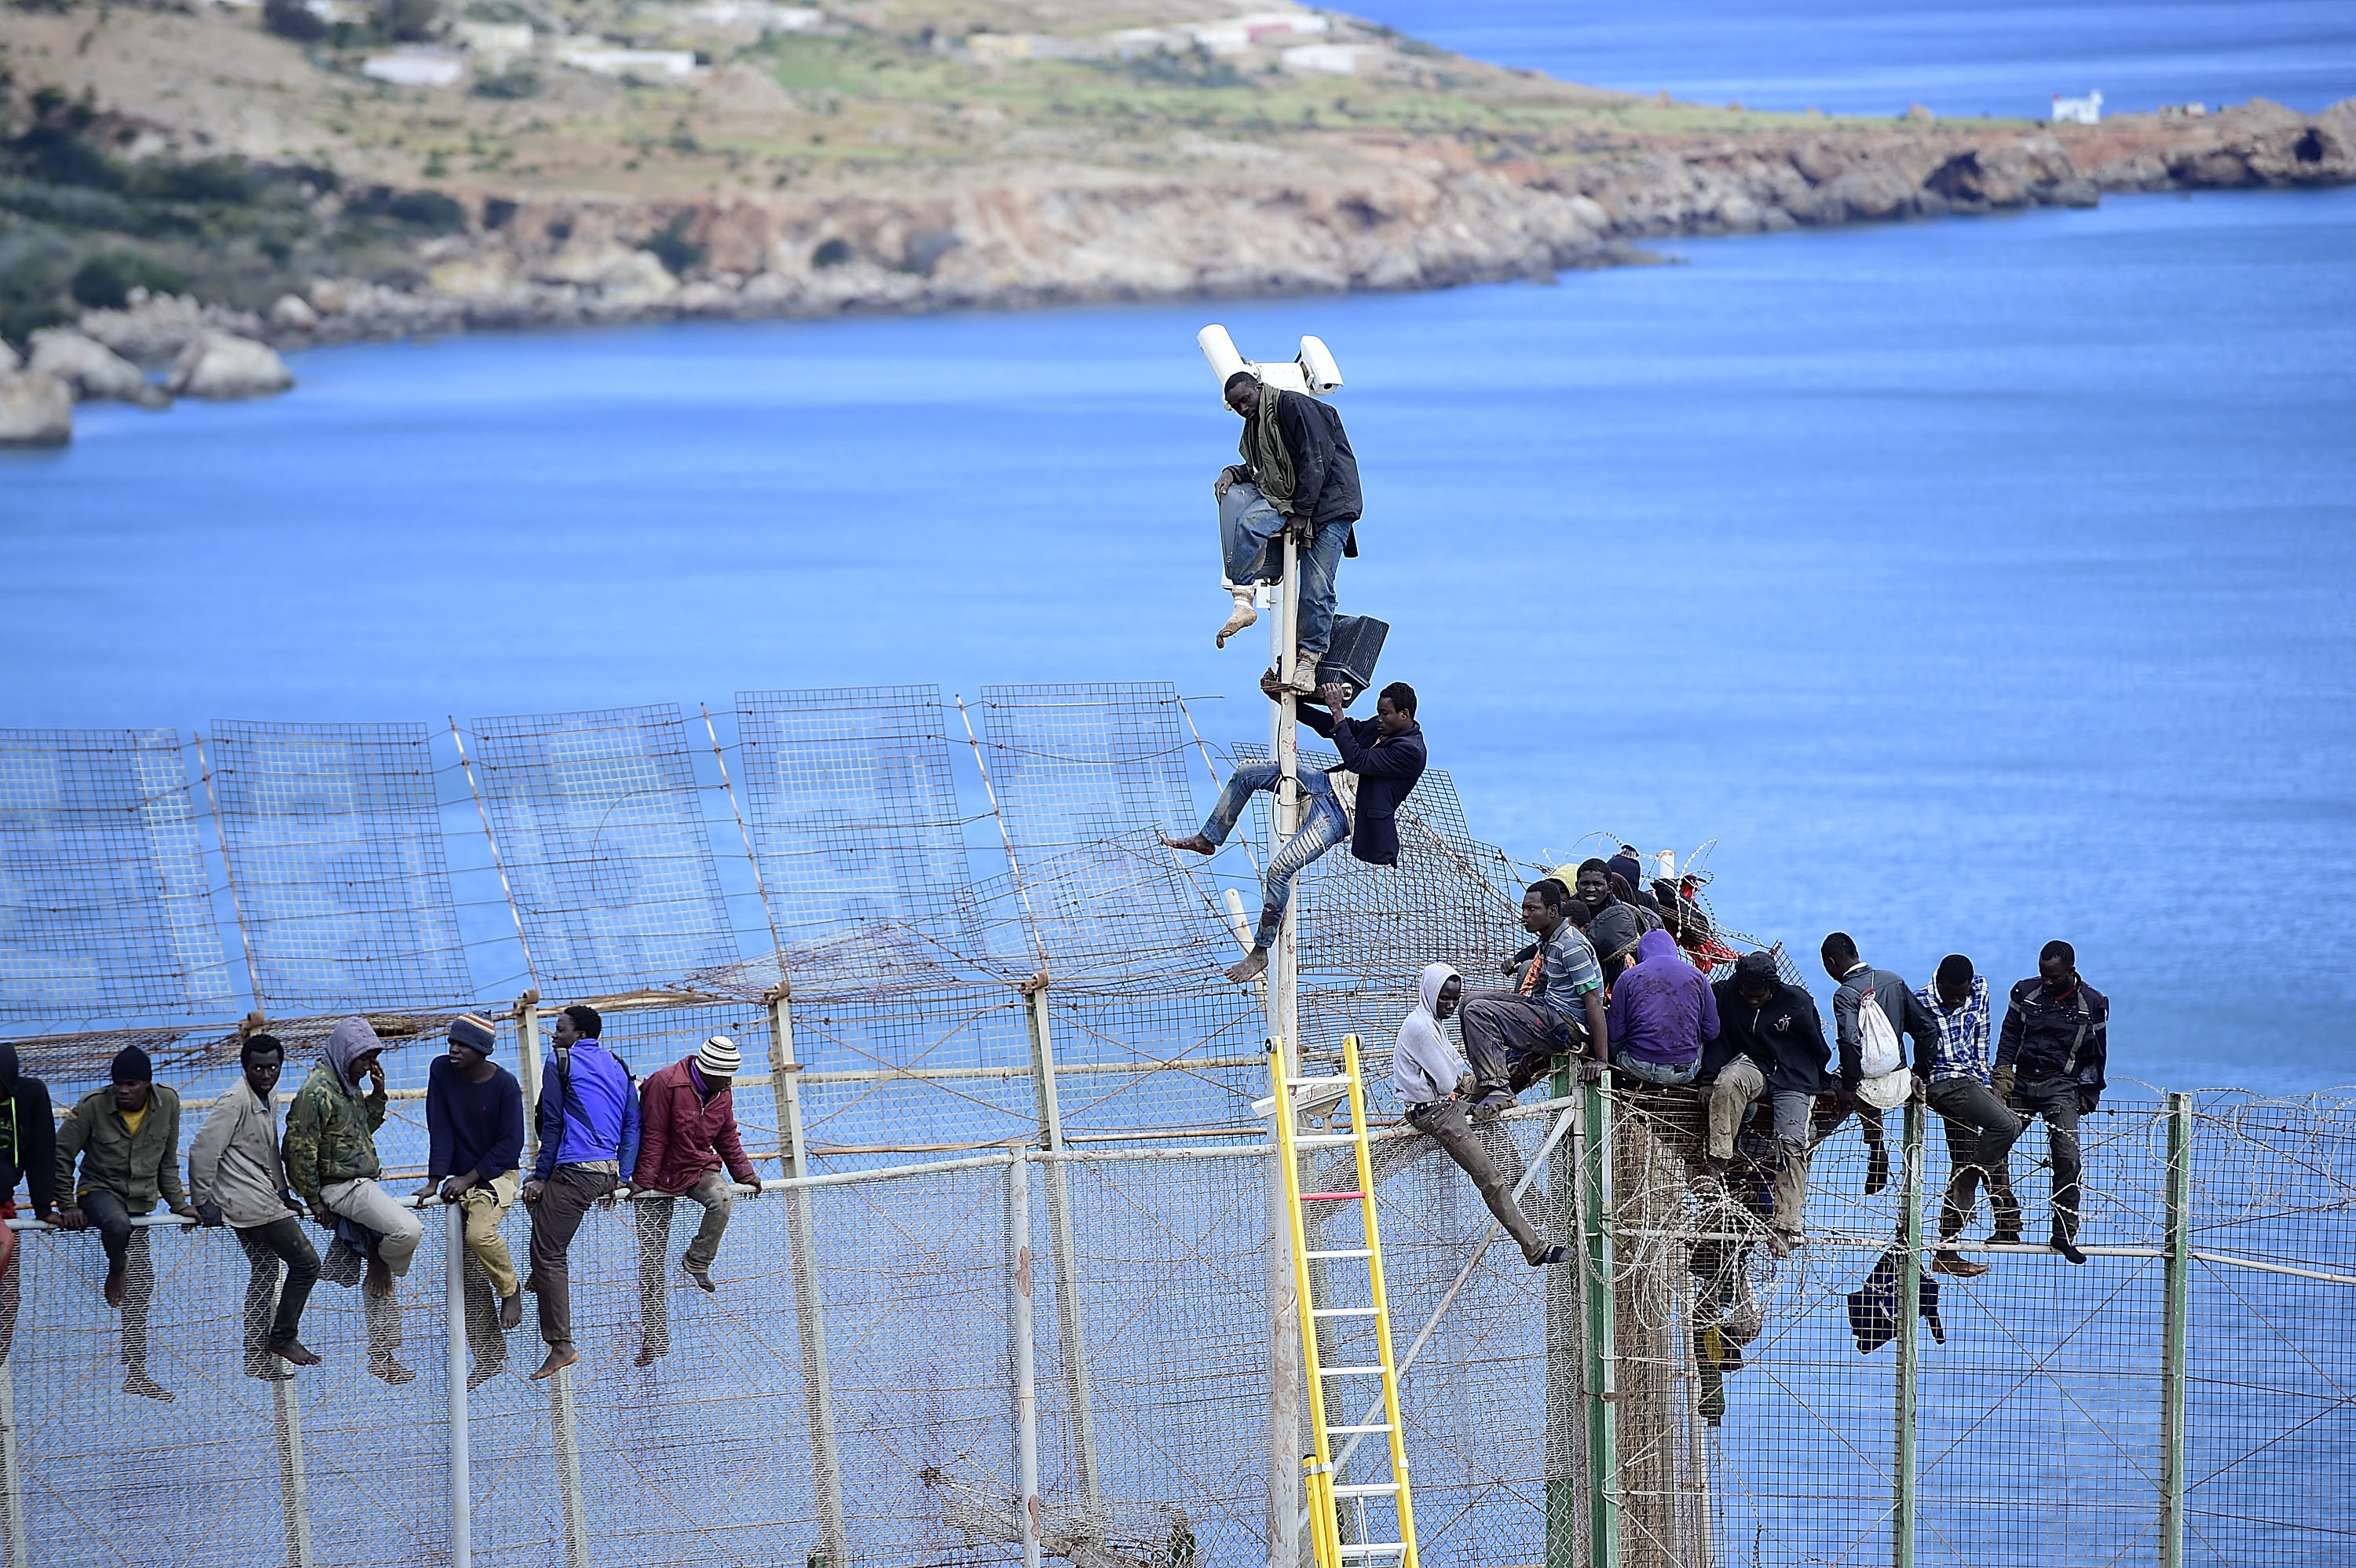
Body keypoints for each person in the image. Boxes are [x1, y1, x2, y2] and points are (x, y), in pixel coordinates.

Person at [1163, 680, 1426, 985]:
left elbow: (1358, 759)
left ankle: (1260, 951)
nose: (1379, 718)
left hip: (1340, 815)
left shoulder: (1411, 751)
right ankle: (1209, 838)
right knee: (1247, 774)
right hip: (1326, 786)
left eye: (1385, 714)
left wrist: (1337, 707)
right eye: (1378, 713)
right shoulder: (1385, 729)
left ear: (1404, 715)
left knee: (1280, 869)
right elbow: (1335, 727)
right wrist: (1290, 703)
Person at [1385, 963, 1564, 1267]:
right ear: (1430, 993)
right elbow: (1445, 1080)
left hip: (1447, 1104)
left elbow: (1454, 1064)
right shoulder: (1422, 1028)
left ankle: (1534, 1206)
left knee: (1495, 1120)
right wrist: (1471, 1084)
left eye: (1455, 999)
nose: (1451, 1006)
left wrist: (1485, 1082)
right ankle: (1534, 1248)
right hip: (1435, 1114)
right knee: (1490, 1179)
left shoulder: (1431, 1021)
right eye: (1445, 999)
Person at [286, 1016, 423, 1384]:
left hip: (360, 1183)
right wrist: (314, 1198)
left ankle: (382, 1354)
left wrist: (377, 1094)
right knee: (407, 1230)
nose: (368, 1065)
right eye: (363, 1058)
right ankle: (380, 1259)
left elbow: (360, 1132)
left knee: (381, 1283)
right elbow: (298, 1149)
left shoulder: (345, 1088)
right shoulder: (317, 1091)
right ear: (346, 1053)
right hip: (342, 1187)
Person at [53, 1046, 193, 1400]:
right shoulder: (92, 1107)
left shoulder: (168, 1105)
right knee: (117, 1227)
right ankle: (116, 1269)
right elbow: (61, 1155)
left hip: (140, 1203)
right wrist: (68, 1205)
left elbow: (168, 1163)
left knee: (141, 1288)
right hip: (98, 1193)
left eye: (131, 1084)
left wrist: (180, 1204)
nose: (123, 1090)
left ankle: (136, 1370)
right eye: (118, 1083)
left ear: (147, 1084)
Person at [1209, 368, 1363, 683]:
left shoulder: (1293, 406)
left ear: (1258, 388)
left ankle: (1308, 659)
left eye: (1245, 399)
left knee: (1316, 586)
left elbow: (1314, 458)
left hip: (1329, 504)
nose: (1242, 409)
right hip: (1294, 499)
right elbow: (1266, 467)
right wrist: (1233, 473)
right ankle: (1243, 601)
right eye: (1236, 405)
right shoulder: (1256, 425)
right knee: (1249, 524)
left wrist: (1303, 513)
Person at [188, 1032, 321, 1377]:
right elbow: (203, 1150)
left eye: (272, 1067)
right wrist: (202, 1201)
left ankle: (257, 1358)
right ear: (245, 1067)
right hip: (249, 1204)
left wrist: (282, 1192)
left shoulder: (267, 1096)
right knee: (307, 1264)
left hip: (261, 1198)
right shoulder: (234, 1100)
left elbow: (268, 1149)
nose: (265, 1074)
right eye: (258, 1068)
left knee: (266, 1271)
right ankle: (282, 1337)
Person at [525, 1003, 640, 1380]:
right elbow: (632, 1125)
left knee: (549, 1252)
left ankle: (561, 1345)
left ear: (580, 1035)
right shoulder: (619, 1066)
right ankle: (538, 1278)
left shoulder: (561, 1061)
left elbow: (554, 1122)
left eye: (560, 1029)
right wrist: (622, 1174)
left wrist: (541, 1173)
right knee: (544, 1224)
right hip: (608, 1173)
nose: (555, 1035)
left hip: (576, 1171)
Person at [632, 1034, 763, 1365]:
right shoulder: (663, 1083)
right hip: (657, 1175)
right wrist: (645, 1182)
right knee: (651, 1260)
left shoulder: (721, 1091)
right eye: (726, 1075)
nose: (730, 1082)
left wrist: (745, 1174)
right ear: (709, 1070)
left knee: (722, 1199)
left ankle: (697, 1260)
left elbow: (726, 1134)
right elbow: (654, 1134)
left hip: (695, 1168)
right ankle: (655, 1337)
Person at [415, 1014, 526, 1387]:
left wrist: (469, 1178)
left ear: (481, 1050)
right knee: (468, 1273)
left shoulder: (505, 1086)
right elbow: (439, 1125)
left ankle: (511, 1290)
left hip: (495, 1177)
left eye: (462, 1044)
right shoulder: (442, 1071)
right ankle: (490, 1354)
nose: (453, 1049)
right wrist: (435, 1181)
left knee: (480, 1236)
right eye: (452, 1042)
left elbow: (511, 1144)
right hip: (458, 1183)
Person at [1702, 952, 1830, 1254]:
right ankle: (1719, 1157)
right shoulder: (1730, 996)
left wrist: (1821, 1084)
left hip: (1795, 1075)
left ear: (1772, 988)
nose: (1752, 1001)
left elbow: (1818, 1048)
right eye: (1747, 994)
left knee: (1791, 1142)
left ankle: (1786, 1226)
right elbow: (1720, 1041)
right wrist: (1708, 1078)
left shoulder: (1797, 1003)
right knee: (1728, 1081)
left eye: (1759, 996)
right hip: (1757, 1065)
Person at [1995, 941, 2109, 1266]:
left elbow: (2096, 1051)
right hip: (2021, 1082)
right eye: (2043, 975)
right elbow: (2009, 1035)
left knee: (2068, 1159)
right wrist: (2002, 1074)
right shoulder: (2024, 993)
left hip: (2061, 1085)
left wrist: (2090, 1092)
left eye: (2054, 977)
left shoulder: (2092, 1003)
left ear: (2071, 971)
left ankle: (2064, 1234)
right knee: (1992, 1148)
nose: (2047, 982)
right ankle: (2007, 1223)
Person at [1459, 879, 1611, 1119]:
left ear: (1552, 911)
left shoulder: (1570, 945)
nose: (1524, 915)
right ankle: (1486, 1080)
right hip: (1549, 1010)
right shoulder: (1549, 940)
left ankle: (1500, 1089)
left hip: (1566, 1025)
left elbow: (1593, 1001)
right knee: (1468, 1001)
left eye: (1532, 909)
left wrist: (1601, 1059)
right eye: (1524, 909)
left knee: (1478, 1011)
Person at [1917, 956, 2025, 1278]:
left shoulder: (1980, 989)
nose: (1956, 1001)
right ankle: (1972, 1179)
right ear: (1939, 984)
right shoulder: (1921, 1000)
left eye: (1960, 996)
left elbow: (1980, 1040)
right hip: (1942, 1083)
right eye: (1951, 996)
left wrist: (1987, 1083)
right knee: (2008, 1124)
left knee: (1965, 1157)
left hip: (1971, 1080)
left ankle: (1946, 1250)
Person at [1820, 934, 1941, 1198]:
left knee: (1827, 1099)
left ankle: (1815, 1148)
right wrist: (1920, 1072)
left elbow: (1850, 1044)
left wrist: (1849, 1086)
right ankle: (1877, 1148)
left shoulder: (1845, 994)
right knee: (1869, 1080)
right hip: (1899, 1079)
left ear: (1831, 963)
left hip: (1864, 1084)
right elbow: (1928, 1029)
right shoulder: (1893, 981)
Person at [0, 1044, 57, 1366]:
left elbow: (41, 1153)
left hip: (3, 1204)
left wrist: (44, 1207)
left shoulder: (28, 1097)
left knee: (7, 1299)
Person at [1607, 929, 1720, 1087]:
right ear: (1672, 949)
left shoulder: (1627, 977)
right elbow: (1712, 1031)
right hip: (1684, 1072)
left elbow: (1615, 1032)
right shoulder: (1698, 976)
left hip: (1637, 1067)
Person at [1573, 859, 1659, 985]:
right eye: (1585, 884)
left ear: (1609, 887)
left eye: (1597, 884)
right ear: (1577, 886)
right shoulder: (1565, 914)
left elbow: (1647, 956)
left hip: (1622, 984)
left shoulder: (1629, 916)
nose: (1591, 889)